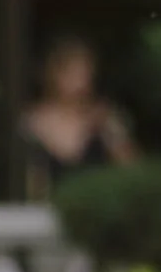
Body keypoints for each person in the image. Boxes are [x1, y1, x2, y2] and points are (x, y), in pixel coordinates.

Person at [17, 36, 133, 196]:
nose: (81, 82)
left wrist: (111, 132)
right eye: (72, 73)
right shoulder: (32, 121)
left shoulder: (104, 118)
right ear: (53, 74)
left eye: (85, 74)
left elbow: (131, 169)